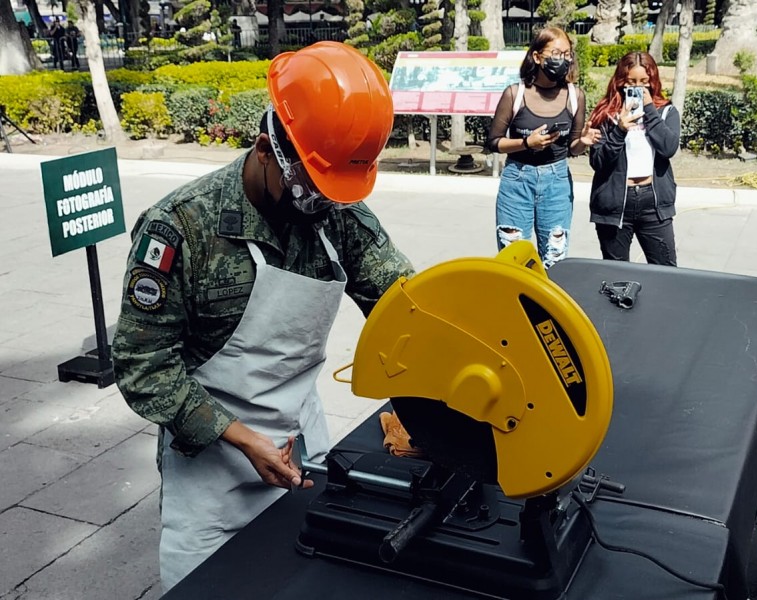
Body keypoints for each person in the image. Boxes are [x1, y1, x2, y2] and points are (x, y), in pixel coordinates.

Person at [111, 41, 415, 593]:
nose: (321, 207)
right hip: (209, 471)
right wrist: (242, 438)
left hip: (302, 441)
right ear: (265, 149)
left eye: (332, 195)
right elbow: (141, 365)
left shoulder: (335, 212)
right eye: (311, 191)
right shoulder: (181, 229)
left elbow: (403, 304)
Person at [486, 26, 600, 268]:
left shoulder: (574, 96)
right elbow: (494, 142)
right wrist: (527, 143)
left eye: (567, 54)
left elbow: (573, 147)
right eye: (556, 53)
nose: (563, 60)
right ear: (537, 57)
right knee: (514, 261)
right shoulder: (514, 94)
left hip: (556, 183)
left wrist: (584, 141)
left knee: (554, 259)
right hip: (517, 181)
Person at [587, 51, 680, 266]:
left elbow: (668, 148)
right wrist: (619, 130)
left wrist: (649, 109)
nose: (638, 88)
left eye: (644, 82)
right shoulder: (605, 113)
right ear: (620, 82)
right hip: (615, 203)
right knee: (618, 274)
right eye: (631, 82)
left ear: (653, 81)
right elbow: (598, 162)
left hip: (653, 202)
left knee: (666, 271)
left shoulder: (665, 111)